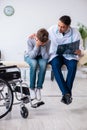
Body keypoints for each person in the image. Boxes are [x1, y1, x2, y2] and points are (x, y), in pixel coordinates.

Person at [48, 15, 84, 105]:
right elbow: (44, 40)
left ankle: (66, 95)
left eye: (63, 27)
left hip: (70, 55)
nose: (60, 28)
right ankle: (67, 93)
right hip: (55, 54)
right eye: (59, 25)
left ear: (68, 26)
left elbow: (81, 49)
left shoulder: (75, 32)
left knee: (72, 66)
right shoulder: (52, 29)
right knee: (55, 65)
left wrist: (79, 52)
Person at [24, 28, 50, 101]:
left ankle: (38, 88)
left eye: (43, 42)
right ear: (37, 38)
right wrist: (37, 45)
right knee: (34, 63)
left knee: (44, 64)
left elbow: (45, 57)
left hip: (40, 57)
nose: (42, 43)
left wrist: (43, 46)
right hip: (29, 55)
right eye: (40, 42)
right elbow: (32, 56)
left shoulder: (48, 41)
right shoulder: (30, 40)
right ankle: (32, 88)